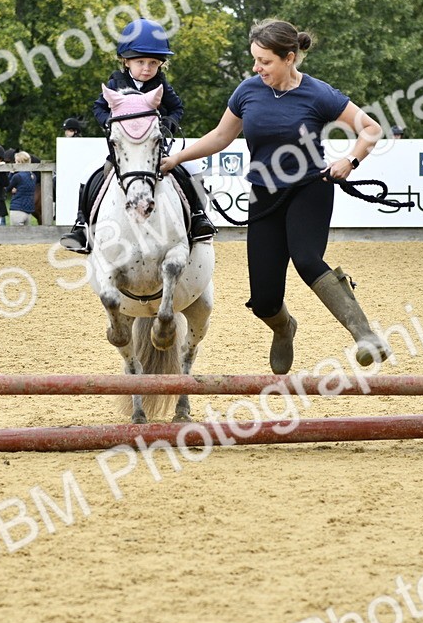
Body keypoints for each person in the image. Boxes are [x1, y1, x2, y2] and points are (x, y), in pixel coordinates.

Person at [159, 19, 391, 373]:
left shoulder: (318, 94)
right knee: (265, 300)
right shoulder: (247, 91)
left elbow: (371, 129)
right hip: (264, 194)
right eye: (255, 60)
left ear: (290, 58)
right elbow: (221, 137)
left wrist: (350, 160)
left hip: (310, 188)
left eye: (264, 61)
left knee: (307, 259)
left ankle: (365, 335)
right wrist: (176, 158)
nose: (257, 68)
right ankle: (284, 327)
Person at [59, 18, 216, 253]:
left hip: (153, 148)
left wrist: (167, 125)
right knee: (89, 173)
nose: (146, 68)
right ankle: (81, 226)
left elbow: (177, 109)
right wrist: (110, 125)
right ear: (126, 61)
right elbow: (99, 108)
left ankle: (198, 216)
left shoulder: (161, 83)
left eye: (153, 63)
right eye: (140, 61)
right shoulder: (116, 82)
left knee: (192, 168)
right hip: (125, 150)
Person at [9, 151, 38, 226]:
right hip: (28, 210)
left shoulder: (17, 176)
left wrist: (11, 173)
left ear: (19, 162)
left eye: (16, 161)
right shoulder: (33, 176)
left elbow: (7, 188)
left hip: (17, 209)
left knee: (17, 235)